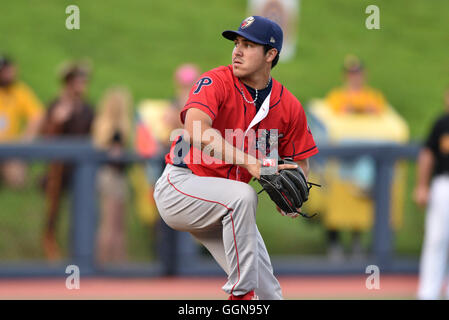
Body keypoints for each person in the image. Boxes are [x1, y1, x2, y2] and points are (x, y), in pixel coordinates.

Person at [153, 16, 318, 300]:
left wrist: (294, 193)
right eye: (237, 42)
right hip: (181, 186)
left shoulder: (288, 106)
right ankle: (239, 297)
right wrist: (251, 163)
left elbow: (299, 162)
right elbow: (194, 129)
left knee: (269, 294)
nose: (237, 50)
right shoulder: (216, 81)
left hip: (226, 210)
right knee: (242, 197)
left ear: (271, 54)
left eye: (249, 44)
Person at [323, 55, 389, 261]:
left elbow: (382, 120)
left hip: (364, 156)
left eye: (358, 73)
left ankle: (357, 241)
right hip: (342, 157)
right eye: (351, 74)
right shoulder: (336, 96)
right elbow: (330, 123)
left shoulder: (373, 97)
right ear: (346, 76)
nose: (355, 77)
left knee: (360, 194)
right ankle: (334, 242)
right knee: (337, 195)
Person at [40, 61, 95, 260]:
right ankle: (50, 245)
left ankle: (80, 252)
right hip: (58, 168)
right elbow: (46, 136)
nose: (82, 85)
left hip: (81, 171)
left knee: (82, 213)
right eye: (78, 81)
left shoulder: (87, 108)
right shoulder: (57, 105)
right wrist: (56, 121)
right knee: (54, 210)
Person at [414, 88, 449, 300]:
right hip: (443, 184)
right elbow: (427, 155)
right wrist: (421, 186)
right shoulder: (442, 124)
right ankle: (428, 292)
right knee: (436, 238)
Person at [93, 87, 132, 265]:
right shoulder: (108, 125)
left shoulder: (116, 124)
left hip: (117, 175)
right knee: (109, 222)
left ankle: (117, 262)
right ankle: (104, 262)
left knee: (117, 223)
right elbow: (102, 146)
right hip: (109, 175)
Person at [0, 54, 44, 188]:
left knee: (17, 181)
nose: (9, 74)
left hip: (10, 148)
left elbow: (37, 116)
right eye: (5, 71)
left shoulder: (19, 91)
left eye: (10, 70)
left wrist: (25, 141)